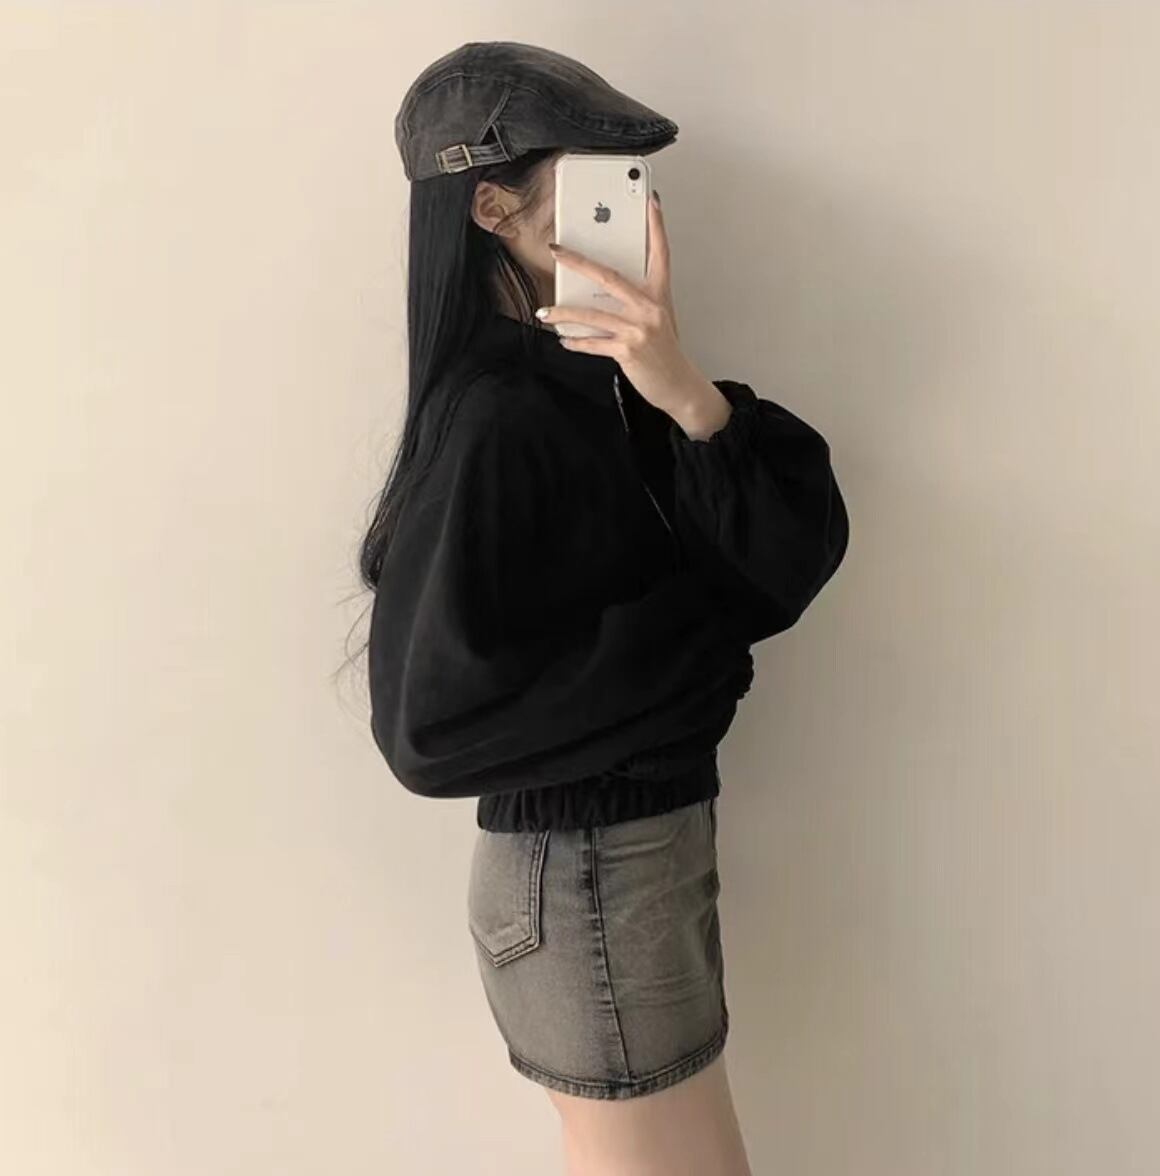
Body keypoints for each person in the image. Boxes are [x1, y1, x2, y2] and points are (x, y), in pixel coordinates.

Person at [360, 40, 850, 1175]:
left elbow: (782, 564)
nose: (637, 211)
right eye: (597, 184)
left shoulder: (598, 384)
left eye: (635, 184)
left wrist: (683, 390)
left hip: (626, 867)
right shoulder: (498, 414)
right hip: (590, 875)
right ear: (491, 207)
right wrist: (699, 653)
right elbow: (428, 727)